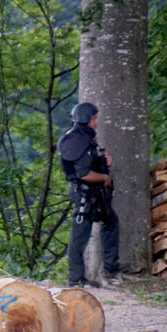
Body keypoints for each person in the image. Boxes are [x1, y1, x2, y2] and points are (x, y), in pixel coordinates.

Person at [57, 103, 120, 288]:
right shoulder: (80, 140)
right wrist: (104, 176)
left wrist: (103, 161)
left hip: (92, 193)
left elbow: (88, 161)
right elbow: (83, 174)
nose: (97, 121)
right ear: (90, 119)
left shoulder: (79, 137)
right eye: (95, 118)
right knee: (79, 235)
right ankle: (76, 278)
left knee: (110, 222)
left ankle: (110, 269)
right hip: (85, 194)